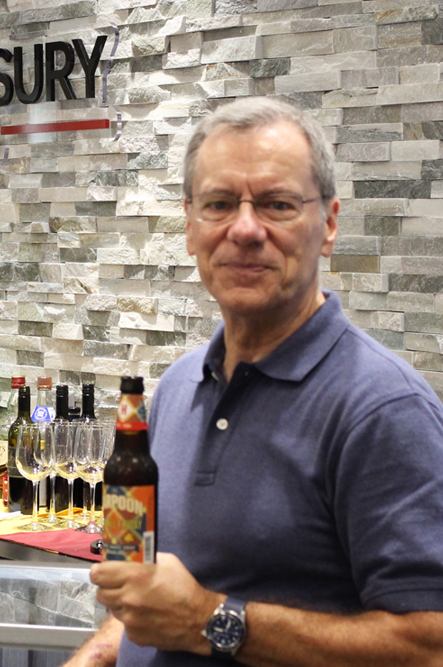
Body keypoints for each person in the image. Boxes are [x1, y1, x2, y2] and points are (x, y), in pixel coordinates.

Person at [67, 97, 443, 666]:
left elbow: (429, 645)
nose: (244, 229)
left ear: (329, 224)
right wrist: (95, 656)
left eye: (277, 204)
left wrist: (209, 620)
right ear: (190, 225)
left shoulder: (384, 409)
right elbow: (151, 596)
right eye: (219, 204)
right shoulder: (177, 389)